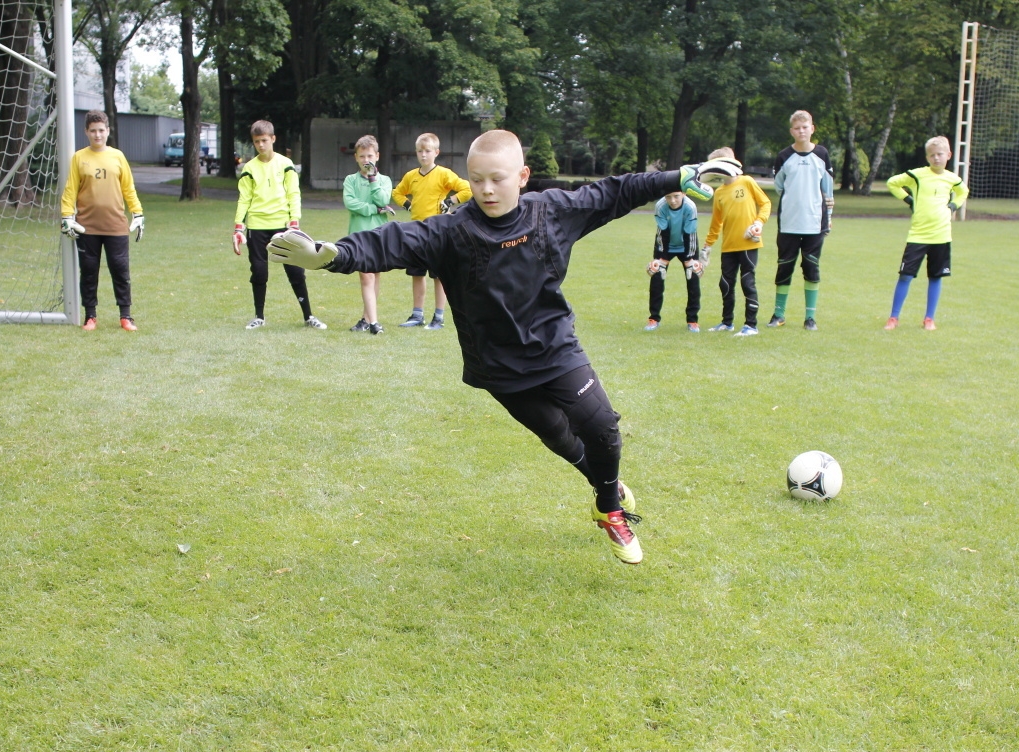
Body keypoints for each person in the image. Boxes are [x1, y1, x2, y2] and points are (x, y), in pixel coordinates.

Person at [267, 130, 735, 565]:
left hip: (556, 349)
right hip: (498, 367)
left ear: (523, 177)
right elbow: (393, 241)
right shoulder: (451, 232)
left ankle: (609, 507)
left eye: (497, 179)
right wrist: (334, 256)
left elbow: (614, 191)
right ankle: (603, 489)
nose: (486, 190)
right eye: (476, 180)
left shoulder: (551, 210)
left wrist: (679, 176)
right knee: (560, 437)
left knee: (603, 428)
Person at [231, 120, 326, 330]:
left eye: (264, 140)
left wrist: (295, 221)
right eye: (257, 142)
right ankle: (259, 316)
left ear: (273, 139)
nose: (261, 145)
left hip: (283, 227)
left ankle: (309, 316)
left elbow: (294, 193)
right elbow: (244, 198)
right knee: (259, 272)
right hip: (256, 226)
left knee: (295, 272)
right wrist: (239, 227)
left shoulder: (285, 164)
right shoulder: (249, 168)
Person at [60, 109, 144, 331]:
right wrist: (66, 215)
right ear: (86, 132)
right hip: (87, 226)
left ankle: (125, 315)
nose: (97, 135)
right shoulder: (79, 157)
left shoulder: (118, 156)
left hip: (116, 225)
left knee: (120, 269)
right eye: (93, 131)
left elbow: (128, 188)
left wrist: (137, 213)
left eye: (101, 130)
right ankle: (90, 316)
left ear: (108, 130)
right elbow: (70, 190)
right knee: (89, 271)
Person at [883, 136, 969, 331]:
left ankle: (929, 318)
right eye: (932, 155)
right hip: (918, 236)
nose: (936, 158)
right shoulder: (917, 175)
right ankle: (893, 318)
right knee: (905, 275)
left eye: (940, 154)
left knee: (935, 277)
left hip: (941, 236)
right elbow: (892, 183)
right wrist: (909, 200)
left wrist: (953, 205)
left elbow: (963, 192)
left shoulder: (952, 178)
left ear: (948, 155)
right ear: (927, 157)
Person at [389, 132, 472, 330]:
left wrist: (450, 201)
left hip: (438, 231)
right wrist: (408, 204)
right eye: (420, 151)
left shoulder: (443, 174)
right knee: (416, 273)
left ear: (436, 152)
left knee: (439, 275)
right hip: (416, 230)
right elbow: (397, 192)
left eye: (427, 151)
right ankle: (417, 314)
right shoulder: (411, 176)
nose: (423, 155)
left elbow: (467, 189)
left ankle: (439, 316)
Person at [771, 110, 834, 331]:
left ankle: (810, 318)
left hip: (814, 223)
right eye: (797, 128)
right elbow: (779, 186)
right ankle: (778, 314)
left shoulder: (822, 154)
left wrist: (830, 217)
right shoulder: (784, 156)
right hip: (788, 222)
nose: (801, 131)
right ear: (792, 131)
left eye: (805, 127)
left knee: (812, 268)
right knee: (784, 267)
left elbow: (828, 190)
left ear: (812, 129)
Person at [702, 147, 770, 336]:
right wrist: (708, 245)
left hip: (749, 244)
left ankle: (751, 325)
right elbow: (716, 222)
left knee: (747, 282)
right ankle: (727, 322)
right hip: (728, 246)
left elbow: (765, 203)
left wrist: (758, 222)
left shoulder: (747, 182)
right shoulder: (719, 193)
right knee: (725, 283)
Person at [341, 135, 395, 335]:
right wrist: (374, 209)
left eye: (370, 156)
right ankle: (374, 323)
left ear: (377, 156)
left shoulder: (384, 180)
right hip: (358, 237)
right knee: (366, 277)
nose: (366, 160)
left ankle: (365, 319)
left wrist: (373, 179)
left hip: (379, 235)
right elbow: (351, 204)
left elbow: (383, 199)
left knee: (374, 277)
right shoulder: (350, 180)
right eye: (362, 156)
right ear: (356, 157)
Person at [644, 191, 703, 332]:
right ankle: (654, 318)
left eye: (676, 196)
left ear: (683, 193)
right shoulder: (660, 206)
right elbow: (662, 232)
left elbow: (690, 233)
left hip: (687, 246)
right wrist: (661, 258)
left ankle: (692, 320)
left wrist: (690, 259)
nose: (673, 201)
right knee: (657, 277)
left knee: (692, 278)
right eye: (668, 197)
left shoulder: (690, 207)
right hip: (665, 245)